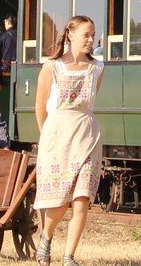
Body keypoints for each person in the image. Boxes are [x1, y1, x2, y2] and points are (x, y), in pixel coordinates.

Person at [32, 15, 103, 266]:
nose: (91, 40)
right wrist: (47, 136)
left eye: (93, 34)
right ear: (70, 34)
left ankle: (69, 256)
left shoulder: (98, 68)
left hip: (86, 135)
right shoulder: (51, 67)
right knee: (60, 201)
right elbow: (40, 107)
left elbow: (91, 101)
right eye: (86, 34)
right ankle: (46, 237)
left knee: (82, 198)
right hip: (58, 135)